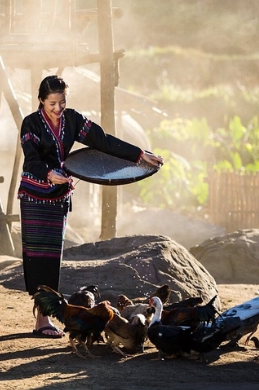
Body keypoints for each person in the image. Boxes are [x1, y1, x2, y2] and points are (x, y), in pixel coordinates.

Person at [18, 75, 163, 338]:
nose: (58, 108)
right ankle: (42, 318)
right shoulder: (31, 123)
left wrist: (140, 155)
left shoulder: (73, 120)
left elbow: (102, 140)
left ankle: (43, 318)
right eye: (52, 103)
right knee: (37, 256)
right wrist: (48, 174)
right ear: (41, 100)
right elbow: (31, 160)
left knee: (52, 257)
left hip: (58, 196)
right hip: (34, 195)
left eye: (62, 102)